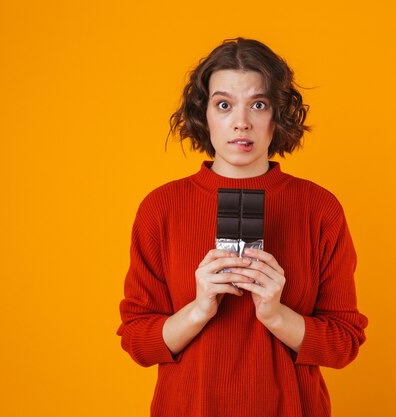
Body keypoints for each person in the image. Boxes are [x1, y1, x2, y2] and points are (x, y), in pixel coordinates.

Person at [117, 37, 368, 417]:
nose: (241, 122)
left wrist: (275, 314)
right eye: (224, 105)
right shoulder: (161, 208)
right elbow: (138, 341)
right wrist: (200, 308)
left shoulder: (319, 208)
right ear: (204, 115)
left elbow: (344, 343)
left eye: (258, 104)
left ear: (277, 114)